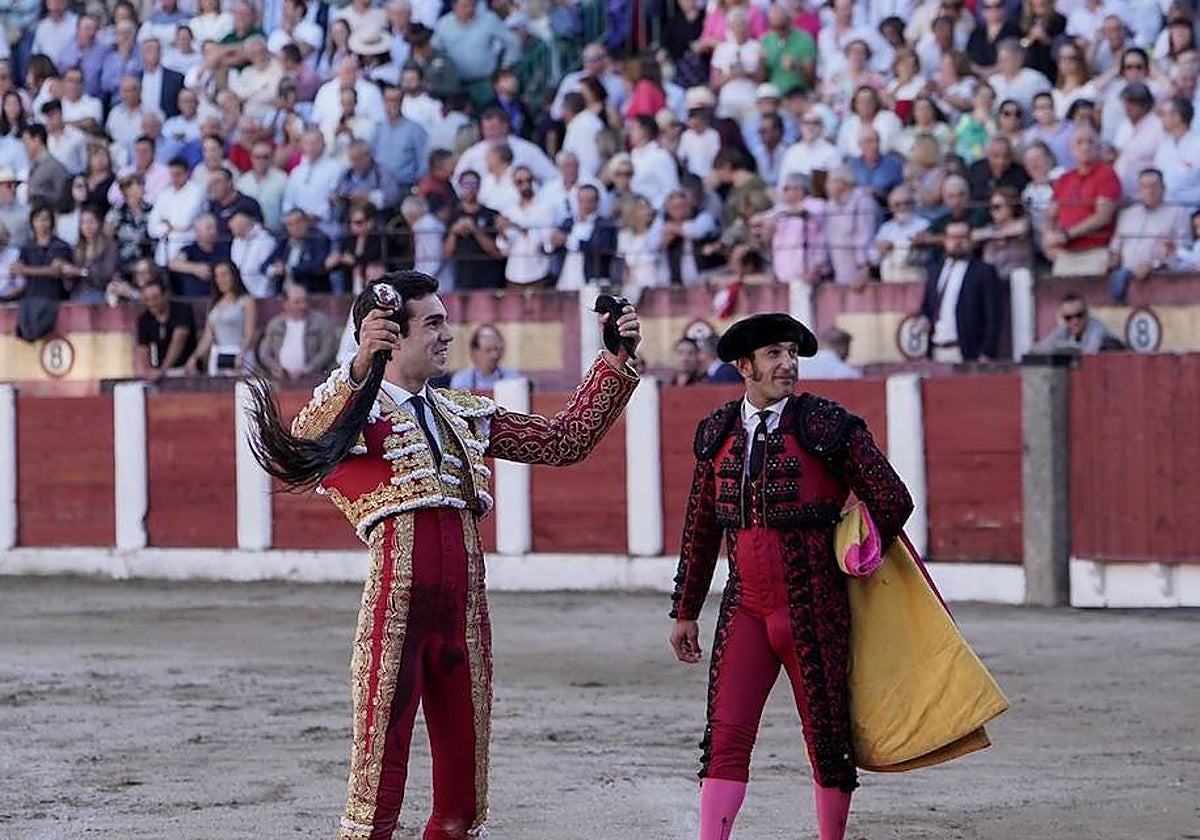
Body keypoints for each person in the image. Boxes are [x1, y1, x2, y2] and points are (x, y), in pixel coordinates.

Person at [245, 270, 641, 840]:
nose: (447, 335)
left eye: (446, 323)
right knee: (376, 786)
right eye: (433, 324)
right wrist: (361, 366)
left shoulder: (464, 413)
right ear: (392, 336)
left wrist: (613, 362)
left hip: (466, 617)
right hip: (395, 614)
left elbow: (564, 441)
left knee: (463, 798)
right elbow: (300, 447)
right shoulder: (357, 414)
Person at [669, 312, 913, 840]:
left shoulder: (827, 425)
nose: (788, 364)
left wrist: (857, 549)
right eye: (775, 354)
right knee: (725, 738)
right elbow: (701, 527)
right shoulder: (717, 432)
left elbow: (892, 499)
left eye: (792, 353)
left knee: (828, 741)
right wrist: (685, 611)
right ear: (745, 366)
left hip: (815, 606)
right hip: (744, 610)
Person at [917, 220, 1003, 363]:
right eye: (952, 237)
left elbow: (994, 316)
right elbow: (927, 306)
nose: (957, 242)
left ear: (970, 240)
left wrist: (987, 352)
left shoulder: (983, 271)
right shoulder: (935, 271)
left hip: (967, 352)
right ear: (945, 240)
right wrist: (923, 319)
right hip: (936, 350)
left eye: (962, 237)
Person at [1042, 127, 1121, 277]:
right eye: (1079, 142)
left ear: (1098, 147)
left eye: (1090, 142)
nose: (1085, 147)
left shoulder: (1107, 175)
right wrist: (1047, 238)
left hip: (1094, 252)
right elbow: (1049, 214)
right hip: (1065, 253)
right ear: (1071, 149)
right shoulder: (1065, 179)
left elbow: (1103, 216)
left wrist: (1066, 235)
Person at [1106, 168, 1188, 304]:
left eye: (1154, 186)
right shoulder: (1127, 215)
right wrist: (1110, 263)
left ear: (1163, 189)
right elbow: (1115, 250)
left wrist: (1154, 265)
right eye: (1144, 187)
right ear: (1138, 190)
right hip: (1126, 279)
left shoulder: (1177, 213)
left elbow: (1183, 252)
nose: (1150, 191)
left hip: (1160, 279)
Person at [185, 260, 257, 375]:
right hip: (218, 356)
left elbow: (250, 333)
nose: (221, 280)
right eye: (217, 276)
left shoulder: (246, 301)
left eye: (224, 275)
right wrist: (195, 357)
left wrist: (242, 354)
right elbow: (207, 337)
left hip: (240, 355)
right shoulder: (213, 303)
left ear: (233, 276)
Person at [257, 282, 339, 381]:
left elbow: (327, 350)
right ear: (286, 304)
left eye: (304, 301)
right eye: (297, 302)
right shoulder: (275, 324)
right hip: (281, 379)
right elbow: (264, 352)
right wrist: (275, 367)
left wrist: (307, 370)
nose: (302, 306)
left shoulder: (321, 321)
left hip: (314, 379)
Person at [135, 278, 198, 378]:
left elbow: (178, 342)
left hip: (185, 369)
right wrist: (147, 371)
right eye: (147, 300)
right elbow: (142, 348)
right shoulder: (144, 319)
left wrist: (162, 370)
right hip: (159, 371)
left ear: (165, 295)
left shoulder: (182, 310)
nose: (151, 304)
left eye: (155, 298)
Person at [1034, 292, 1121, 355]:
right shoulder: (1064, 330)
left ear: (1087, 314)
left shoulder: (1097, 330)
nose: (1075, 321)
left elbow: (1089, 355)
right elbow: (1043, 348)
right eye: (1068, 317)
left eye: (1079, 315)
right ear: (1063, 318)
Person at [448, 324, 517, 390]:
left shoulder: (512, 379)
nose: (494, 355)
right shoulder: (461, 381)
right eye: (488, 350)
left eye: (496, 349)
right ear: (475, 352)